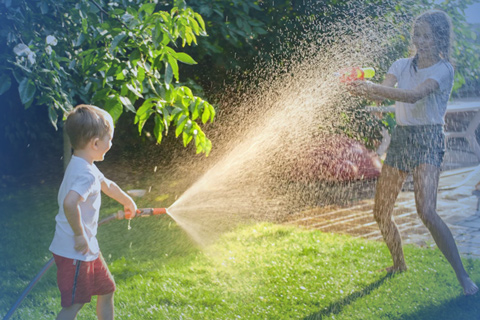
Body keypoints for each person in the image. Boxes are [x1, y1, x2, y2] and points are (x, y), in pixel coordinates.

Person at [348, 10, 478, 295]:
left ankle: (464, 278)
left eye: (427, 35)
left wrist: (373, 89)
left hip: (429, 138)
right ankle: (399, 264)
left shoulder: (444, 69)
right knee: (380, 211)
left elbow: (415, 95)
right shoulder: (400, 64)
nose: (421, 40)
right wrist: (361, 88)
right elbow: (383, 93)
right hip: (403, 137)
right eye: (417, 34)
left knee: (426, 211)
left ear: (439, 37)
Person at [49, 104, 138, 319]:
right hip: (76, 251)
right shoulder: (85, 175)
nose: (111, 143)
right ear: (96, 143)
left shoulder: (82, 164)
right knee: (74, 304)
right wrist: (79, 235)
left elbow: (106, 184)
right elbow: (70, 203)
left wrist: (127, 201)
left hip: (87, 248)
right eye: (109, 138)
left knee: (107, 290)